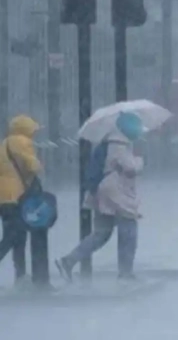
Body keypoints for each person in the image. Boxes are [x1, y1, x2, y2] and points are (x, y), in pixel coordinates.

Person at [56, 112, 145, 281]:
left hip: (103, 190)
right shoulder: (119, 144)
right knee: (129, 228)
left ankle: (68, 261)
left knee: (101, 233)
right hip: (116, 191)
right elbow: (130, 167)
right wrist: (139, 159)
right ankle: (126, 273)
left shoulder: (110, 141)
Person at [0, 115, 42, 285]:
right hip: (16, 195)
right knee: (14, 236)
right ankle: (21, 275)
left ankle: (21, 276)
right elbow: (33, 166)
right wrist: (39, 164)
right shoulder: (23, 142)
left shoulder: (5, 143)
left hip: (4, 196)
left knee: (16, 235)